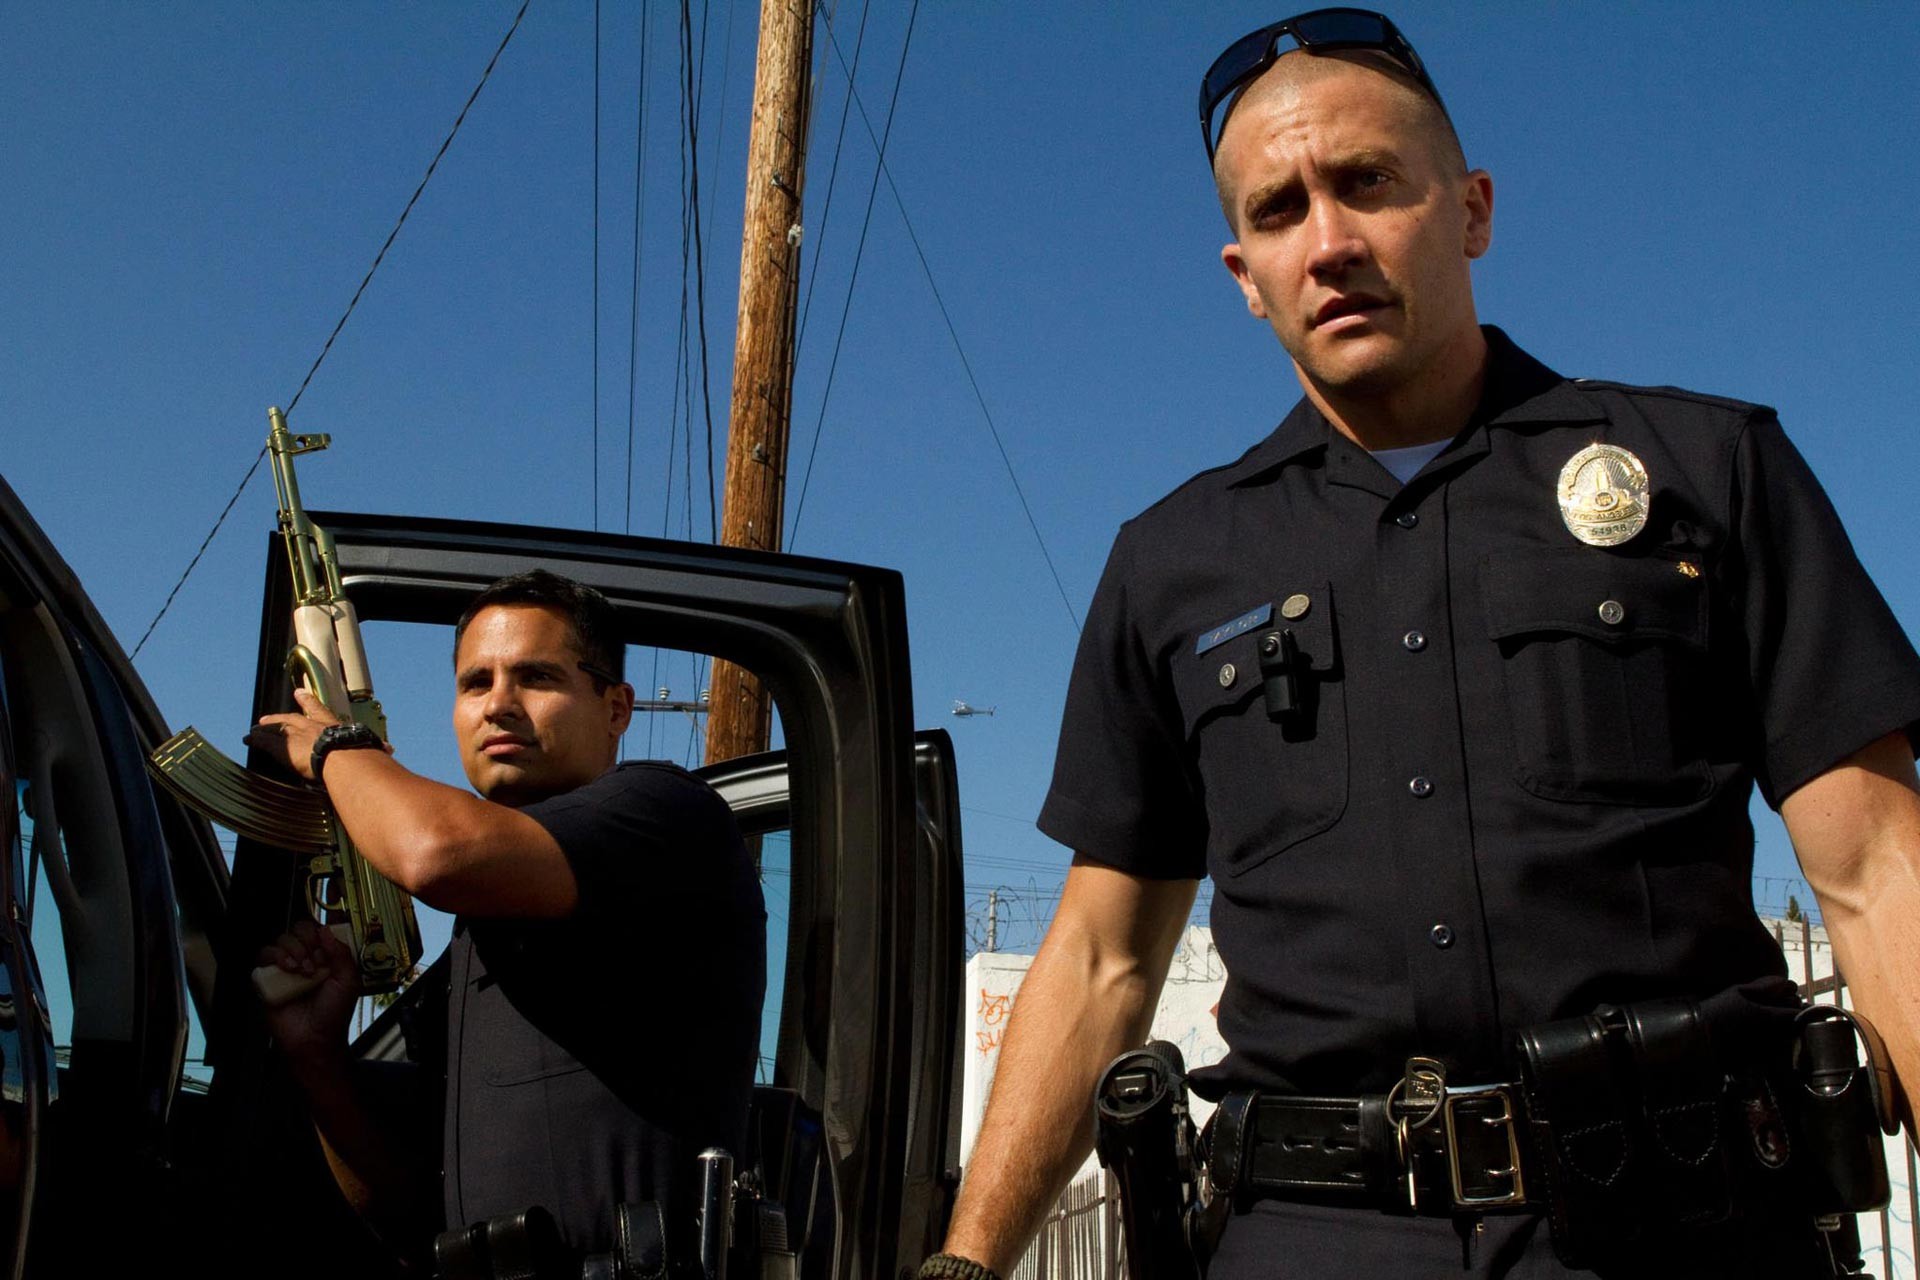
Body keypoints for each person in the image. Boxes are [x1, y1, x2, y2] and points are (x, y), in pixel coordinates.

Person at [927, 10, 1920, 1278]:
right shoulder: (1170, 563)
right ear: (1244, 275)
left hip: (1685, 1217)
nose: (1329, 241)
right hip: (1308, 1232)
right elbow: (1103, 957)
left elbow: (1879, 871)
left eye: (1369, 184)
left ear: (1471, 210)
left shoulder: (1708, 472)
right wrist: (964, 1263)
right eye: (1279, 211)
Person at [247, 569, 766, 1263]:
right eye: (474, 683)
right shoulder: (476, 942)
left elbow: (433, 853)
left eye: (537, 678)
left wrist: (334, 748)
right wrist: (317, 1057)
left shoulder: (666, 813)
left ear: (616, 709)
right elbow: (399, 1205)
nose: (498, 705)